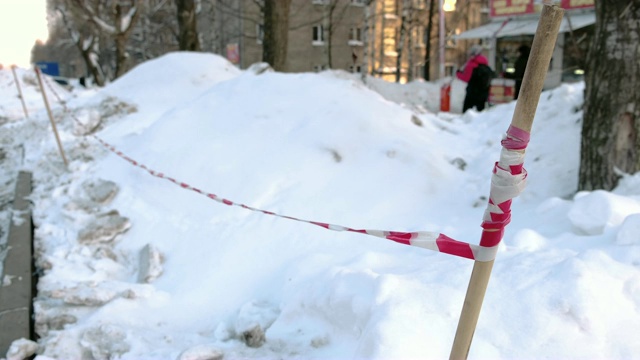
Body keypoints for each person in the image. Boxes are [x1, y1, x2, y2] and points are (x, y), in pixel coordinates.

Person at [456, 44, 491, 112]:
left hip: (472, 92)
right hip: (483, 93)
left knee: (466, 112)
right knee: (480, 112)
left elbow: (466, 78)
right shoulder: (485, 62)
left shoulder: (471, 64)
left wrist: (458, 74)